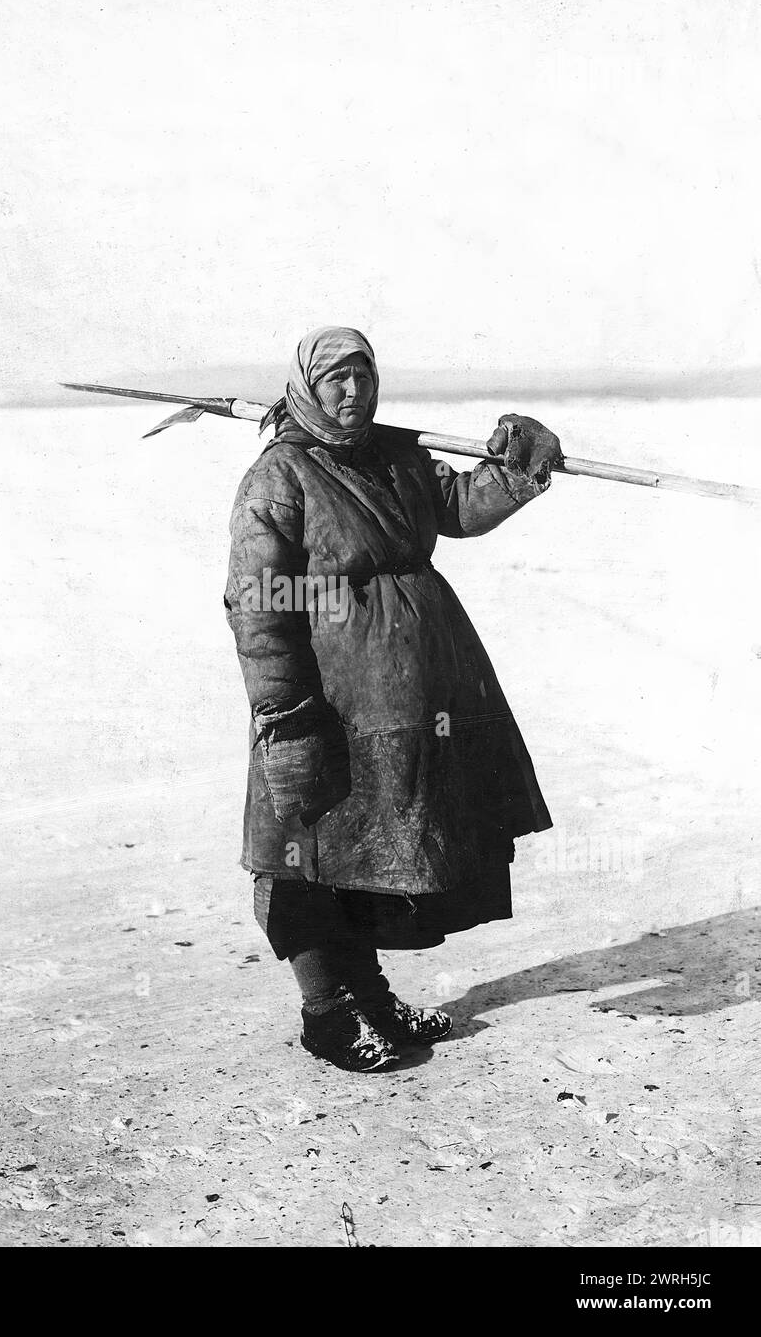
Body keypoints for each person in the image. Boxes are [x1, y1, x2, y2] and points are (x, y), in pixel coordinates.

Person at [223, 326, 560, 1071]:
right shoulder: (282, 475)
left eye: (363, 377)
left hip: (414, 694)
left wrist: (509, 473)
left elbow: (456, 507)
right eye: (336, 379)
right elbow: (257, 601)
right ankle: (326, 1015)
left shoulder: (394, 455)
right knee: (305, 850)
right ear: (308, 386)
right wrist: (285, 711)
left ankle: (368, 997)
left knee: (373, 850)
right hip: (331, 699)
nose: (353, 393)